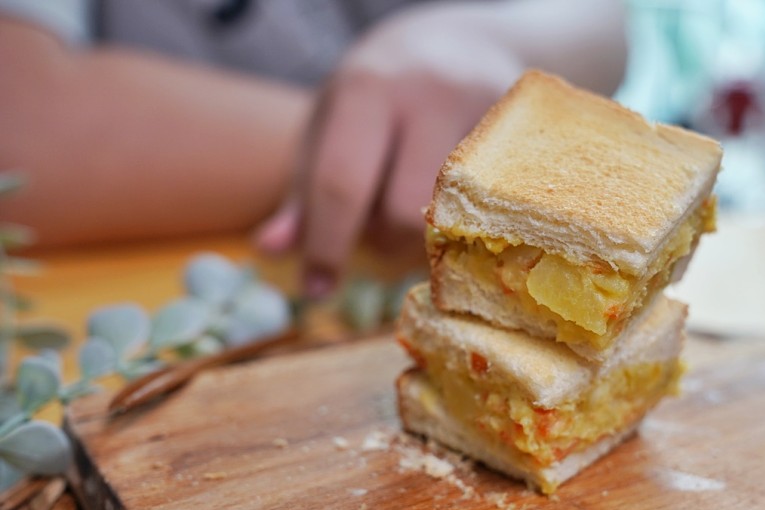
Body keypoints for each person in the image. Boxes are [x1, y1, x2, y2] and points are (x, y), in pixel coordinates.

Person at [0, 0, 627, 297]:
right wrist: (371, 142)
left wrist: (488, 40)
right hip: (171, 301)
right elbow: (21, 128)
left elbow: (601, 25)